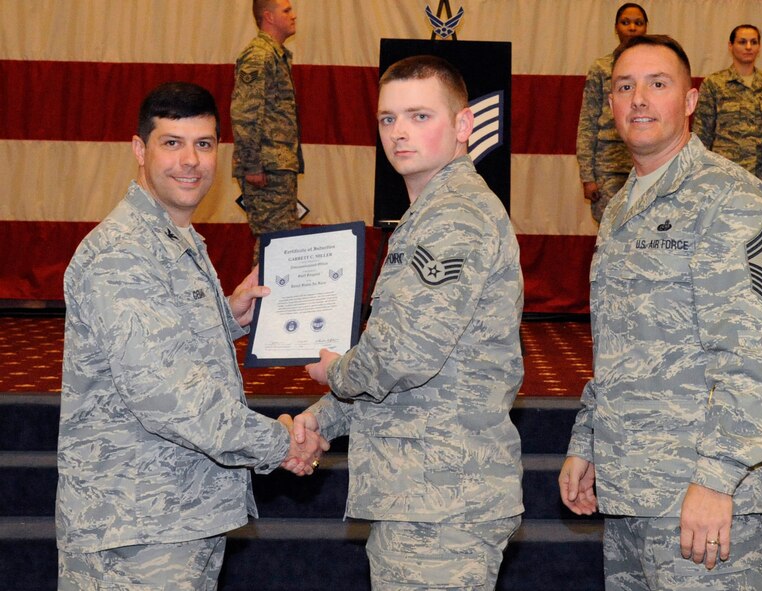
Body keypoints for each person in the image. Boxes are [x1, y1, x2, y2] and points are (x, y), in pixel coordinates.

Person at [56, 82, 327, 589]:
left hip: (180, 517)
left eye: (203, 144)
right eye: (172, 143)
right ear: (140, 150)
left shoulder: (175, 237)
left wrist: (228, 317)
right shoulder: (121, 254)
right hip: (135, 531)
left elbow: (159, 343)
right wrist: (280, 442)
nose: (190, 161)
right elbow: (172, 398)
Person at [559, 35, 762, 589]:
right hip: (630, 490)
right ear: (611, 105)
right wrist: (588, 441)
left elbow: (761, 359)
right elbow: (623, 346)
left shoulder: (730, 198)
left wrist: (717, 479)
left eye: (657, 84)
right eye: (625, 87)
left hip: (701, 496)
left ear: (690, 101)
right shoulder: (621, 208)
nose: (639, 98)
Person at [292, 55, 525, 590]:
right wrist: (322, 422)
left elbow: (404, 355)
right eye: (387, 119)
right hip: (424, 493)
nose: (399, 133)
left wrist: (336, 372)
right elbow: (407, 366)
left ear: (464, 125)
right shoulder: (429, 213)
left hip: (443, 500)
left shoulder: (456, 215)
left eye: (420, 116)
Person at [231, 0, 304, 263]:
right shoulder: (259, 55)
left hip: (277, 165)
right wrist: (252, 165)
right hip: (266, 166)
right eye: (286, 11)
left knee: (280, 243)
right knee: (274, 245)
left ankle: (270, 302)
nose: (293, 16)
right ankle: (263, 303)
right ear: (268, 17)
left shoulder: (276, 54)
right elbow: (245, 114)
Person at [693, 24, 762, 200]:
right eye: (742, 42)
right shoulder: (714, 84)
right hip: (725, 175)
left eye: (753, 42)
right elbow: (702, 133)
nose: (748, 47)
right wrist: (700, 172)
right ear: (730, 46)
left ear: (759, 47)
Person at [577, 2, 649, 223]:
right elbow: (587, 122)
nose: (632, 28)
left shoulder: (654, 66)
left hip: (646, 161)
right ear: (616, 27)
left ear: (646, 27)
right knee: (611, 233)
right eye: (625, 22)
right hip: (608, 167)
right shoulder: (601, 68)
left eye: (638, 23)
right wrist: (588, 177)